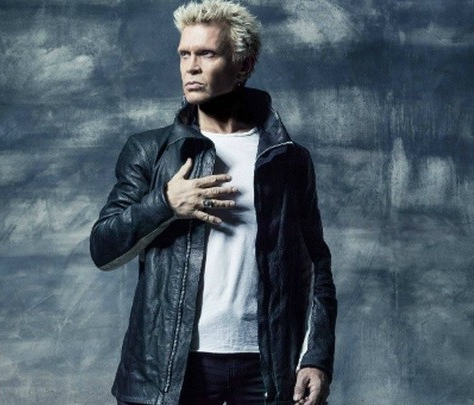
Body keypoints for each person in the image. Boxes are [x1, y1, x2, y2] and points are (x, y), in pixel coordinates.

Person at [89, 1, 336, 404]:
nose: (191, 67)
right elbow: (103, 249)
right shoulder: (151, 150)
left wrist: (317, 357)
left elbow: (316, 263)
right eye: (184, 54)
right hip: (171, 369)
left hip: (265, 367)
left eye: (206, 54)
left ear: (243, 66)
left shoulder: (287, 159)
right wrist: (165, 203)